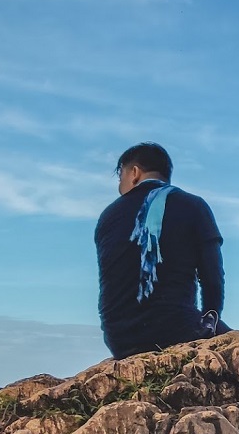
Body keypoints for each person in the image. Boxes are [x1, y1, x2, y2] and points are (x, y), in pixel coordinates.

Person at [95, 142, 231, 360]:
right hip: (178, 332)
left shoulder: (108, 216)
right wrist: (208, 327)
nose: (120, 186)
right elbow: (213, 278)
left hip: (120, 341)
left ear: (135, 173)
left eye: (120, 178)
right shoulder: (193, 206)